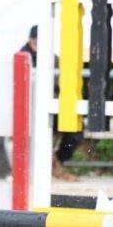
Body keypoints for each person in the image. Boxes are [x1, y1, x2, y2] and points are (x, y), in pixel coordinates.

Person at [20, 24, 79, 181]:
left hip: (51, 104)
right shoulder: (23, 56)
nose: (37, 43)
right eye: (35, 40)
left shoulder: (52, 58)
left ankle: (57, 161)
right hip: (30, 108)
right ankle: (49, 165)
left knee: (76, 130)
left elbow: (62, 83)